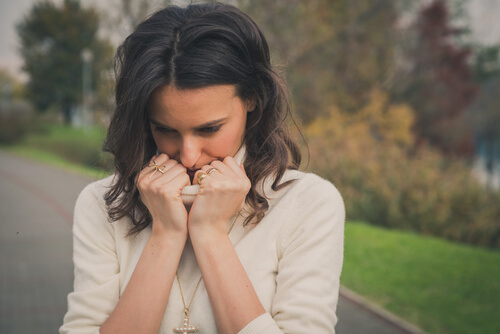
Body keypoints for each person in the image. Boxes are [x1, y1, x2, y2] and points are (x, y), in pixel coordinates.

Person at [60, 2, 344, 334]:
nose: (190, 155)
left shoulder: (307, 204)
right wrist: (165, 235)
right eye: (165, 130)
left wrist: (210, 235)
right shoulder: (102, 203)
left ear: (252, 100)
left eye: (209, 129)